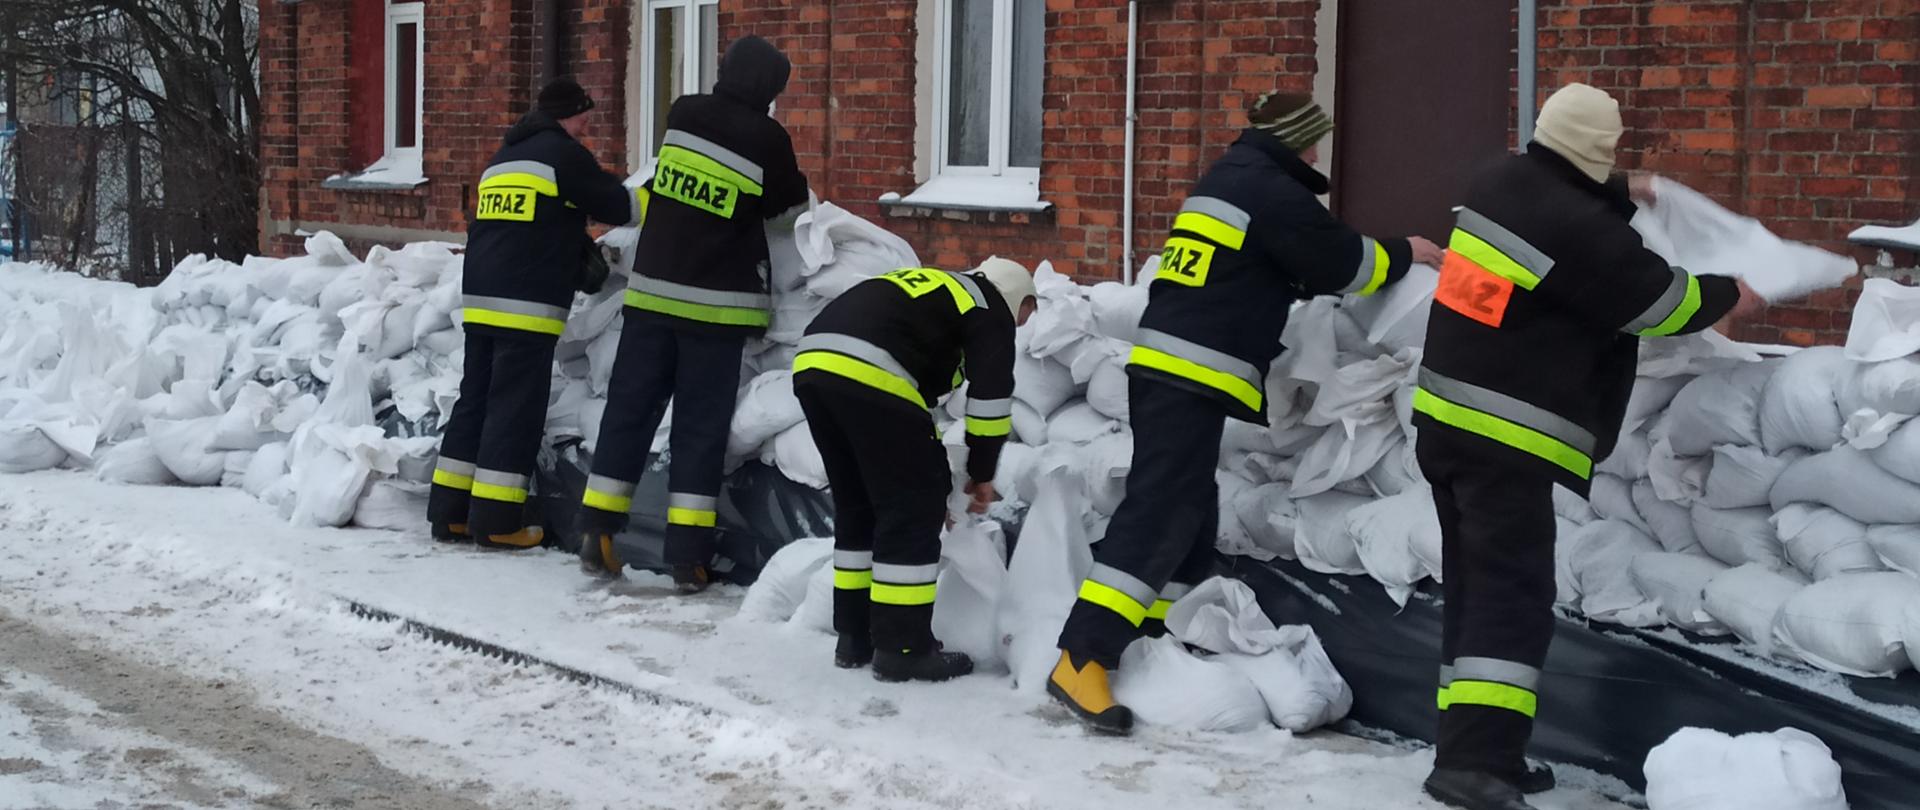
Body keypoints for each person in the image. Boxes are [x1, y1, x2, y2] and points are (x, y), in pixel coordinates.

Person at [1049, 91, 1445, 733]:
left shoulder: (1227, 179)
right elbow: (1340, 262)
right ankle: (1081, 656)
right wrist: (1405, 253)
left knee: (1189, 506)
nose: (1320, 151)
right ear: (1299, 140)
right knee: (1160, 508)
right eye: (1315, 140)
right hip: (1190, 370)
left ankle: (1161, 635)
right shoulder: (1270, 189)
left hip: (1166, 366)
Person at [1413, 83, 1760, 810]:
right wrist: (1736, 291)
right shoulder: (1575, 226)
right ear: (1600, 146)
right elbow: (1659, 304)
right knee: (1510, 599)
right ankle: (1472, 767)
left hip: (1446, 420)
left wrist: (1622, 187)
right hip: (1501, 438)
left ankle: (1482, 752)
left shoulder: (1499, 180)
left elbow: (1560, 194)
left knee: (1476, 595)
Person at [575, 35, 809, 592]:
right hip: (716, 311)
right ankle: (688, 558)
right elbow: (788, 207)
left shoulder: (684, 112)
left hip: (652, 295)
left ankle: (598, 527)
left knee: (628, 413)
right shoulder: (767, 138)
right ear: (768, 88)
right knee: (699, 432)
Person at [792, 259, 1036, 682]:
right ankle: (902, 647)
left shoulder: (940, 290)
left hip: (814, 362)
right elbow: (991, 403)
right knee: (914, 506)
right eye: (1026, 314)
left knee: (860, 504)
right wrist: (980, 472)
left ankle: (854, 637)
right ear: (1018, 296)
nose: (1020, 325)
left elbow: (909, 408)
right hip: (870, 369)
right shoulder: (990, 305)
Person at [428, 78, 642, 550]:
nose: (589, 123)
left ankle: (451, 513)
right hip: (526, 300)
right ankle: (498, 521)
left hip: (482, 295)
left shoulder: (503, 159)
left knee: (476, 397)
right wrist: (661, 197)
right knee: (515, 404)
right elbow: (620, 205)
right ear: (568, 113)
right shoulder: (562, 155)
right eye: (586, 114)